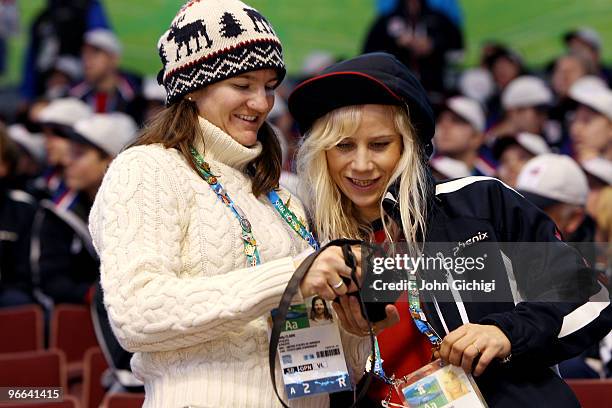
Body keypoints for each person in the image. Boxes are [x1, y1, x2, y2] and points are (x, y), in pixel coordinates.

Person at [89, 2, 398, 407]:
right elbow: (136, 315)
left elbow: (321, 372)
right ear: (193, 85)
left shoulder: (280, 196)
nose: (262, 103)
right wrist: (292, 277)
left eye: (269, 86)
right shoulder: (147, 168)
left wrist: (354, 326)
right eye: (243, 84)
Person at [289, 52, 612, 407]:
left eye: (379, 144)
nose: (362, 164)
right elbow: (310, 387)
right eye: (343, 146)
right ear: (323, 153)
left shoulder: (478, 203)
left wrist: (506, 331)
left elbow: (590, 297)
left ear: (408, 146)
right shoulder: (306, 246)